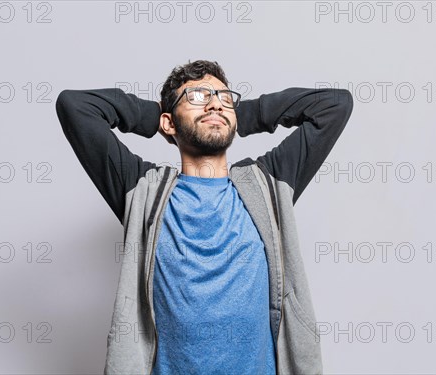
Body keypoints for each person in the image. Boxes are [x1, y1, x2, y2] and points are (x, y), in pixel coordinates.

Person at [55, 60, 354, 375]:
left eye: (225, 98)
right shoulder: (141, 190)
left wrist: (240, 115)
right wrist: (153, 115)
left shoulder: (268, 185)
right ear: (168, 123)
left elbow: (334, 106)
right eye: (197, 97)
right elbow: (75, 106)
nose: (215, 103)